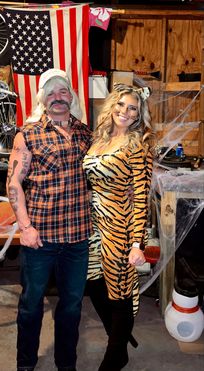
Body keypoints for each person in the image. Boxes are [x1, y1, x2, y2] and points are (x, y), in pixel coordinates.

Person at [6, 68, 92, 371]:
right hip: (40, 238)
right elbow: (13, 184)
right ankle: (25, 364)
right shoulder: (28, 133)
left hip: (78, 238)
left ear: (71, 95)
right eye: (51, 93)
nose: (58, 98)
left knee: (71, 306)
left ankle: (66, 364)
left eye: (63, 92)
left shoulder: (86, 132)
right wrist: (25, 227)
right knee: (31, 306)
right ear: (43, 99)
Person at [83, 83, 155, 371]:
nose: (125, 112)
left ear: (139, 115)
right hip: (92, 226)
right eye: (121, 105)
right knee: (92, 282)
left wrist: (138, 244)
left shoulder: (138, 146)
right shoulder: (97, 141)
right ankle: (120, 337)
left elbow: (141, 197)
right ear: (112, 106)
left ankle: (113, 359)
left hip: (120, 227)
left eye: (133, 108)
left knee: (120, 292)